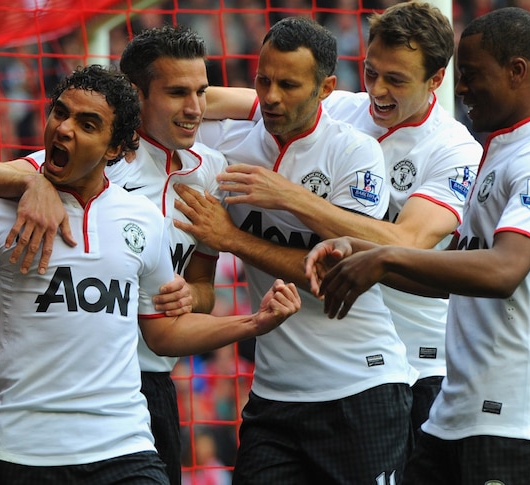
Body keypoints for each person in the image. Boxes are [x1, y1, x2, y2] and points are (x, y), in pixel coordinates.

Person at [0, 65, 301, 484]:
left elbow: (163, 334)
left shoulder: (142, 219)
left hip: (124, 449)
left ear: (115, 149)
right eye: (60, 112)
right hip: (22, 452)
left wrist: (253, 323)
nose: (66, 129)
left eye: (88, 124)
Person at [304, 7, 530, 484]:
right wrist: (363, 254)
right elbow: (452, 272)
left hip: (519, 418)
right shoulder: (500, 150)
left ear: (517, 71)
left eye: (473, 75)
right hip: (455, 414)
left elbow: (502, 273)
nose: (461, 88)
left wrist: (387, 254)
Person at [0, 26, 225, 485]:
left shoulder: (211, 171)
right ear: (137, 99)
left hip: (150, 388)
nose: (195, 108)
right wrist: (33, 181)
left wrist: (188, 298)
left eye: (201, 92)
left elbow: (204, 289)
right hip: (76, 393)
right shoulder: (92, 154)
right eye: (178, 93)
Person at [202, 1, 483, 436]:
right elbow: (219, 100)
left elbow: (405, 243)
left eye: (396, 79)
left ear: (436, 80)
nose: (378, 90)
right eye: (372, 72)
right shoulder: (335, 108)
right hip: (337, 359)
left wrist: (294, 198)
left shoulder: (454, 150)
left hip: (421, 360)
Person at [174, 16, 414, 484]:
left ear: (325, 88)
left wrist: (235, 237)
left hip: (361, 388)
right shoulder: (229, 151)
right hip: (274, 397)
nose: (270, 96)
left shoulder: (355, 154)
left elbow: (340, 274)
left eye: (287, 84)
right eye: (263, 80)